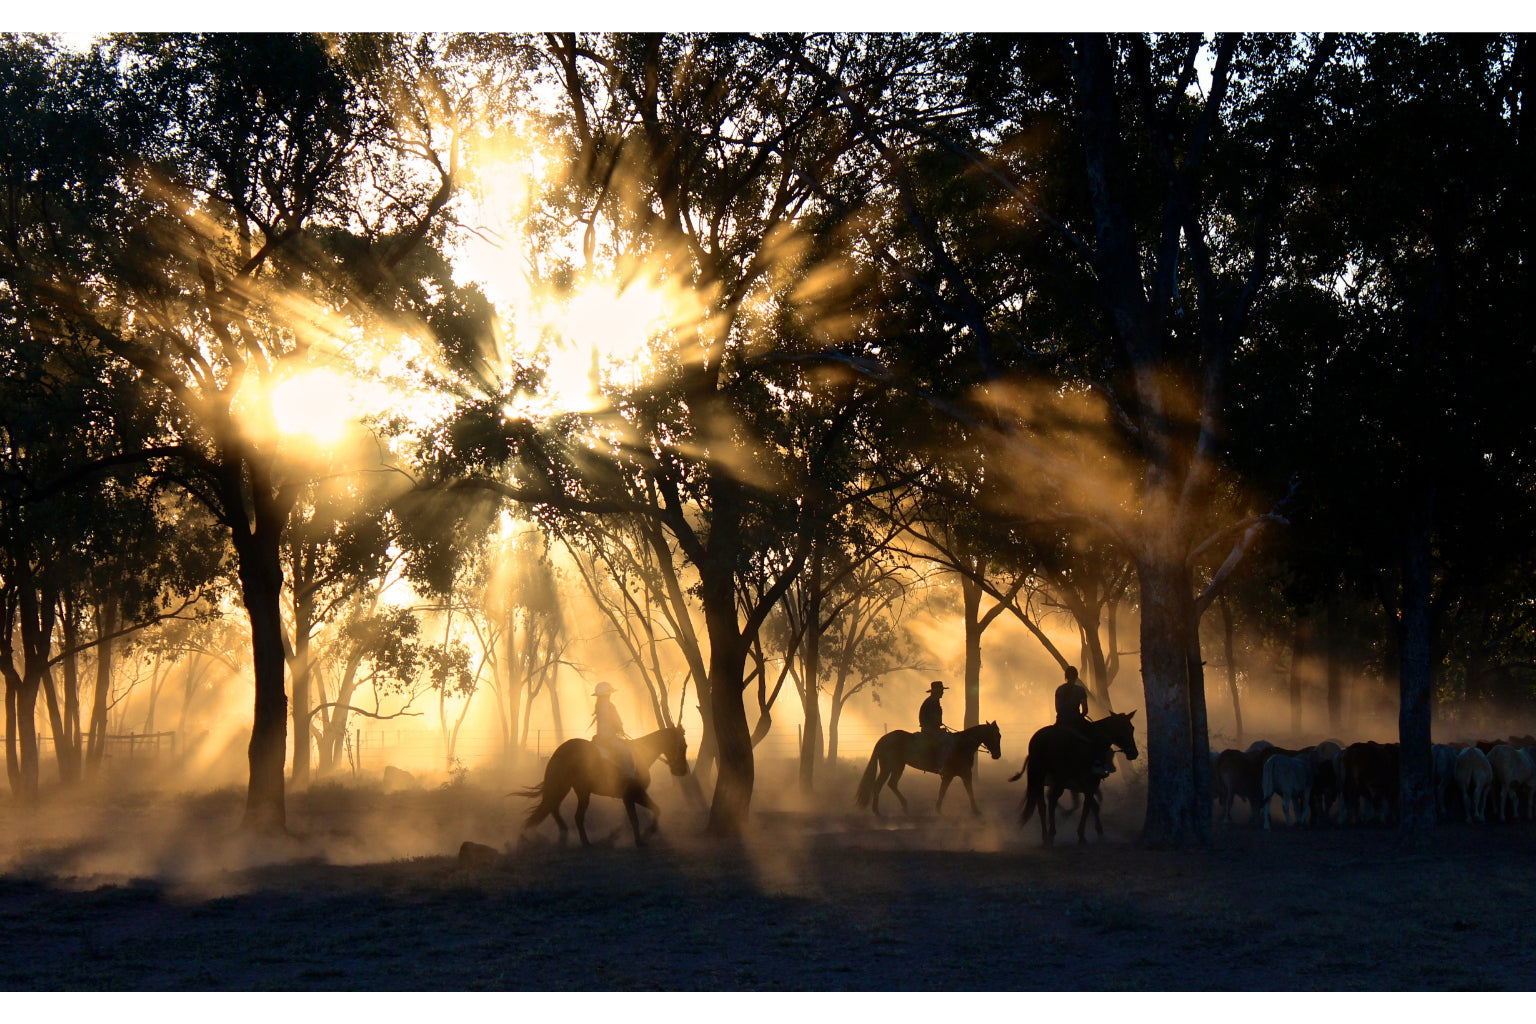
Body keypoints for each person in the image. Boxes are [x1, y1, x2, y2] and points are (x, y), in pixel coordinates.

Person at [1054, 666, 1113, 777]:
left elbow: (1057, 709)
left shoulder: (1059, 690)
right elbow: (1085, 710)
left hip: (1061, 721)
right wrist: (1079, 716)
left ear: (1066, 677)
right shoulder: (1080, 690)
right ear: (1076, 677)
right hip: (1076, 722)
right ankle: (1097, 765)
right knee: (1097, 737)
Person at [591, 681, 638, 784]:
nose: (610, 695)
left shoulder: (600, 705)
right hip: (608, 736)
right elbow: (612, 719)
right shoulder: (607, 705)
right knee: (625, 751)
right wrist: (619, 728)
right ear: (606, 694)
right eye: (609, 693)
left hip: (603, 735)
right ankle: (628, 774)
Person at [918, 680, 950, 768]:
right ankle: (940, 764)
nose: (943, 692)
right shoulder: (932, 702)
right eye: (941, 690)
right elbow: (932, 718)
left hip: (930, 728)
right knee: (948, 741)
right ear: (937, 691)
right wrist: (938, 727)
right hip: (929, 729)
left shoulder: (933, 701)